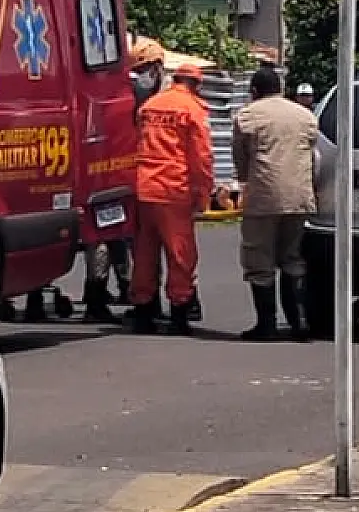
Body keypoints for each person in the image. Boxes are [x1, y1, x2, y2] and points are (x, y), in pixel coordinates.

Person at [232, 67, 318, 341]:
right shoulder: (305, 116)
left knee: (259, 260)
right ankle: (299, 323)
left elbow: (241, 161)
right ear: (281, 88)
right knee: (292, 257)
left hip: (264, 198)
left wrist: (243, 184)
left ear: (253, 91)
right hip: (300, 197)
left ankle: (267, 325)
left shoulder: (247, 116)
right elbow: (314, 155)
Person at [128, 62, 214, 335]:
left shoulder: (149, 106)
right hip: (174, 188)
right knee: (181, 253)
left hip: (144, 186)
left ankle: (143, 310)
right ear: (196, 84)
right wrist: (203, 194)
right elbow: (201, 157)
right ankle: (179, 310)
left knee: (145, 253)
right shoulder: (192, 109)